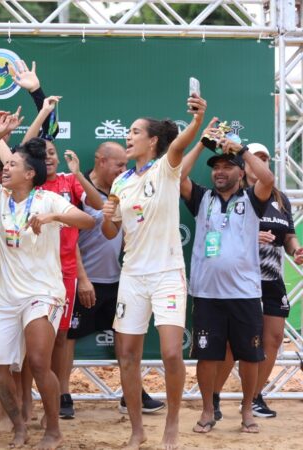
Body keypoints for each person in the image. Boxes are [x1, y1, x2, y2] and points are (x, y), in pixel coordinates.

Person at [0, 111, 94, 449]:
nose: (5, 168)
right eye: (5, 165)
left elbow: (88, 222)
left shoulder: (48, 198)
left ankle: (53, 429)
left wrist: (54, 216)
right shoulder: (1, 196)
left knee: (38, 361)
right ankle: (19, 424)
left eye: (13, 165)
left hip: (43, 293)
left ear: (30, 174)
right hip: (6, 298)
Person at [100, 93, 207, 449]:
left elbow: (180, 146)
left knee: (172, 353)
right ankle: (136, 429)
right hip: (132, 276)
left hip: (167, 273)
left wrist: (196, 120)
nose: (128, 138)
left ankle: (172, 424)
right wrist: (106, 218)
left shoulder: (166, 167)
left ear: (153, 140)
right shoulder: (120, 182)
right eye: (127, 132)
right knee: (127, 356)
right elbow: (111, 232)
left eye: (134, 132)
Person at [179, 125, 275, 435]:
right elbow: (177, 176)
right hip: (207, 294)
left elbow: (269, 179)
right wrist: (203, 145)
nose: (219, 172)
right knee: (207, 356)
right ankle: (208, 409)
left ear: (239, 172)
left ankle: (247, 410)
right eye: (215, 167)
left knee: (250, 355)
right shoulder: (202, 197)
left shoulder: (252, 198)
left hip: (245, 292)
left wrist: (241, 150)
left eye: (225, 166)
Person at [65, 142, 166, 415]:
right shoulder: (77, 190)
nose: (124, 169)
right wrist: (82, 279)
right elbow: (69, 238)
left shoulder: (123, 189)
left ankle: (132, 394)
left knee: (126, 336)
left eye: (126, 165)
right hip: (84, 280)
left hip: (117, 280)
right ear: (100, 161)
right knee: (68, 337)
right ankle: (63, 396)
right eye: (119, 165)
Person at [210, 142, 303, 420]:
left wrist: (296, 250)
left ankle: (253, 398)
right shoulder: (232, 196)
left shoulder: (279, 198)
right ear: (243, 166)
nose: (260, 163)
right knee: (231, 344)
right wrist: (250, 237)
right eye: (254, 158)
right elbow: (214, 233)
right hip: (239, 280)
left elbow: (287, 235)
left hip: (271, 278)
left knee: (273, 339)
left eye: (264, 158)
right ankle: (213, 398)